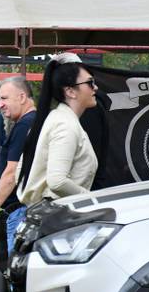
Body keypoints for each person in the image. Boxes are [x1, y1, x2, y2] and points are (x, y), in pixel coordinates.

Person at [17, 54, 99, 208]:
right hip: (58, 217)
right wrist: (91, 199)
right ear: (70, 91)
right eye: (90, 83)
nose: (95, 87)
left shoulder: (57, 119)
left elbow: (19, 173)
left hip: (47, 214)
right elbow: (57, 181)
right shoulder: (65, 125)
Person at [0, 77, 37, 255]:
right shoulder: (33, 122)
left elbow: (11, 173)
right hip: (24, 210)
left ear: (21, 97)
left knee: (18, 269)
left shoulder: (25, 125)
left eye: (4, 98)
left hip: (20, 211)